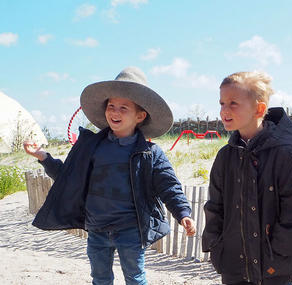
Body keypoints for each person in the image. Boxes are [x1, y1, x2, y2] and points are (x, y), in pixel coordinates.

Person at [24, 66, 196, 285]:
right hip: (96, 229)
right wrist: (43, 156)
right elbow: (69, 177)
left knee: (135, 278)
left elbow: (168, 186)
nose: (115, 112)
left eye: (124, 107)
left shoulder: (150, 153)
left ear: (140, 116)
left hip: (131, 230)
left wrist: (183, 213)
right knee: (100, 278)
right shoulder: (92, 146)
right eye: (111, 106)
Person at [202, 71, 292, 285]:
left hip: (274, 268)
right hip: (234, 266)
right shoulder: (225, 157)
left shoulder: (283, 154)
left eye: (233, 103)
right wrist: (216, 247)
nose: (224, 110)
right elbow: (215, 206)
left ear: (259, 109)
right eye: (222, 103)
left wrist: (280, 250)